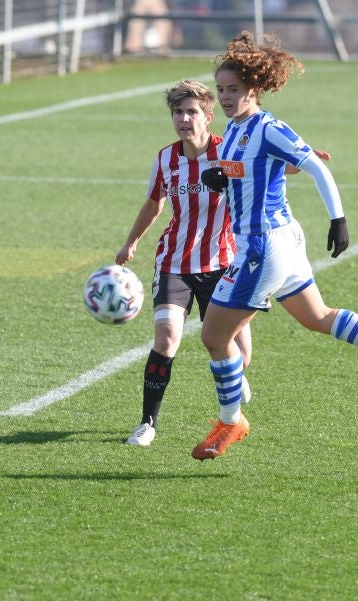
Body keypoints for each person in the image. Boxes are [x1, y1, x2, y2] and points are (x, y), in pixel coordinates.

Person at [192, 31, 358, 460]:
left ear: (254, 89)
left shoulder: (268, 127)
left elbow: (317, 169)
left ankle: (231, 421)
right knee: (317, 317)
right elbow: (255, 172)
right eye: (221, 90)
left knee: (214, 337)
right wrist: (222, 177)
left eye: (233, 90)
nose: (225, 97)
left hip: (262, 246)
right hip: (282, 241)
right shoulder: (234, 131)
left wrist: (338, 219)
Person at [115, 80, 253, 446]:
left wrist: (302, 161)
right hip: (174, 262)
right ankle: (147, 423)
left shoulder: (228, 153)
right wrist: (131, 242)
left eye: (191, 112)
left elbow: (263, 172)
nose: (184, 119)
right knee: (167, 338)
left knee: (239, 351)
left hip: (223, 265)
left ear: (208, 117)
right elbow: (154, 203)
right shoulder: (165, 158)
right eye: (178, 112)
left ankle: (236, 374)